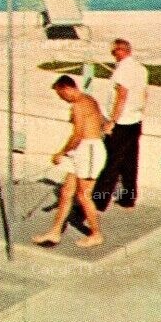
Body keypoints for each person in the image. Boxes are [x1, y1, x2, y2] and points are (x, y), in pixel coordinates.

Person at [68, 38, 149, 231]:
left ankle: (98, 202)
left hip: (121, 123)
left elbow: (121, 96)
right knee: (130, 162)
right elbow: (145, 94)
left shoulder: (123, 70)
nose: (112, 57)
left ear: (120, 51)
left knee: (110, 164)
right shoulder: (141, 68)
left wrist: (112, 121)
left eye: (113, 53)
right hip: (135, 120)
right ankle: (128, 198)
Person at [34, 75, 106, 248]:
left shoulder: (79, 105)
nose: (62, 99)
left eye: (61, 95)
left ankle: (96, 234)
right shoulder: (89, 99)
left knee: (83, 195)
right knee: (66, 193)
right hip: (82, 150)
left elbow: (78, 135)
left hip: (89, 150)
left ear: (66, 88)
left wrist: (61, 152)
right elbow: (102, 121)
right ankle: (55, 232)